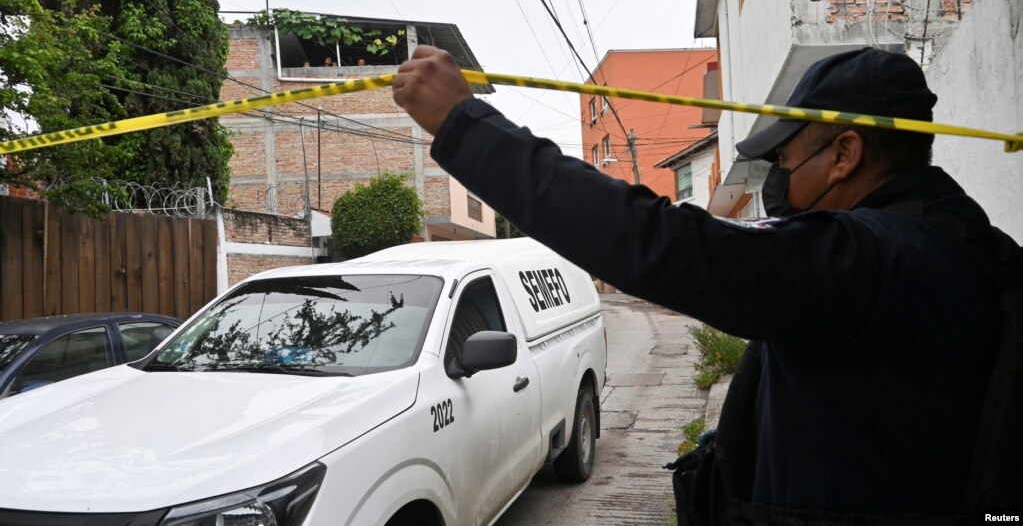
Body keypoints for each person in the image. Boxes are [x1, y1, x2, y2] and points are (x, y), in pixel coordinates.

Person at [392, 46, 1018, 520]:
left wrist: (465, 127)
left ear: (845, 155)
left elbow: (661, 243)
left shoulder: (863, 258)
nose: (778, 178)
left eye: (787, 159)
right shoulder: (966, 247)